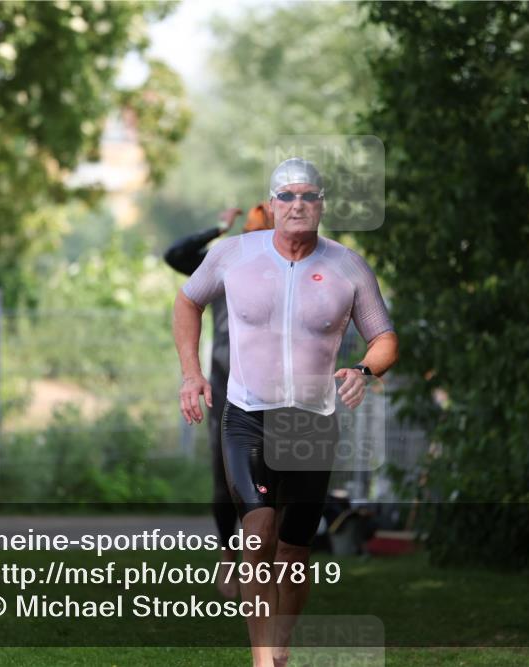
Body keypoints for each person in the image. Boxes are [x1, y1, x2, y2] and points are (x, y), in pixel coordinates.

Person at [172, 158, 399, 667]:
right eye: (288, 195)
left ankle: (282, 644)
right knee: (257, 537)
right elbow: (187, 303)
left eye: (309, 196)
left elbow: (383, 338)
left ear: (321, 205)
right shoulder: (233, 254)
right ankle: (262, 657)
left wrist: (363, 371)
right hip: (248, 414)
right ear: (272, 204)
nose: (299, 204)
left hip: (311, 424)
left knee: (294, 554)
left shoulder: (347, 266)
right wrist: (192, 374)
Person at [164, 203, 274, 599]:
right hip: (227, 383)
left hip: (280, 388)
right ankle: (230, 554)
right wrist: (216, 228)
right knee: (224, 473)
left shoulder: (289, 268)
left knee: (276, 473)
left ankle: (265, 557)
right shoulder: (225, 264)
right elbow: (175, 256)